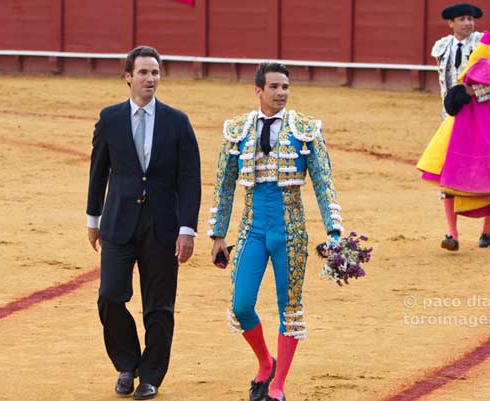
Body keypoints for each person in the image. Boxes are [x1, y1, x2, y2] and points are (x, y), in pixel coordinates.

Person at [208, 63, 343, 401]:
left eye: (285, 86)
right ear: (258, 90)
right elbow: (224, 186)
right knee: (241, 305)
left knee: (290, 306)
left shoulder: (306, 129)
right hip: (251, 227)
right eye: (274, 87)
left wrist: (335, 232)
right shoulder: (237, 130)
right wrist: (218, 235)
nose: (281, 93)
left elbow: (324, 184)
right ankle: (265, 362)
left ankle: (279, 385)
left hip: (291, 229)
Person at [86, 45, 201, 399]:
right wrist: (93, 217)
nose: (150, 78)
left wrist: (187, 229)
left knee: (159, 305)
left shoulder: (177, 121)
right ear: (128, 77)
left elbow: (190, 178)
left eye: (155, 73)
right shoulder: (109, 119)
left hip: (163, 226)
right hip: (119, 222)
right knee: (109, 297)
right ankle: (127, 364)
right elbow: (98, 170)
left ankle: (151, 375)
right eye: (144, 72)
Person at [429, 3, 490, 251]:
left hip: (483, 119)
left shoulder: (487, 46)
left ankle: (488, 224)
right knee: (448, 174)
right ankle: (451, 234)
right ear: (451, 23)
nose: (467, 23)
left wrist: (473, 92)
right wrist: (450, 107)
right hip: (452, 120)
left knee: (484, 174)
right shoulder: (442, 48)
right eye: (462, 19)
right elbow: (446, 86)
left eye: (470, 18)